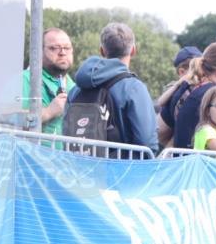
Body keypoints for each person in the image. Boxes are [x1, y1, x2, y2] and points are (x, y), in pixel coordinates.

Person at [65, 22, 158, 153]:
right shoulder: (134, 88)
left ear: (102, 50)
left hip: (80, 168)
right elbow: (147, 142)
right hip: (121, 170)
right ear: (133, 50)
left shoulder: (76, 89)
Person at [22, 28, 76, 135]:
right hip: (34, 151)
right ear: (39, 51)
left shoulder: (76, 87)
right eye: (54, 48)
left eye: (67, 48)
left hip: (67, 152)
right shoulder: (26, 79)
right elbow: (9, 122)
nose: (62, 53)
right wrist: (48, 112)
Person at [156, 45, 202, 148]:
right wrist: (178, 84)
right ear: (182, 72)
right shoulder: (178, 87)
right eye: (196, 68)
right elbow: (160, 102)